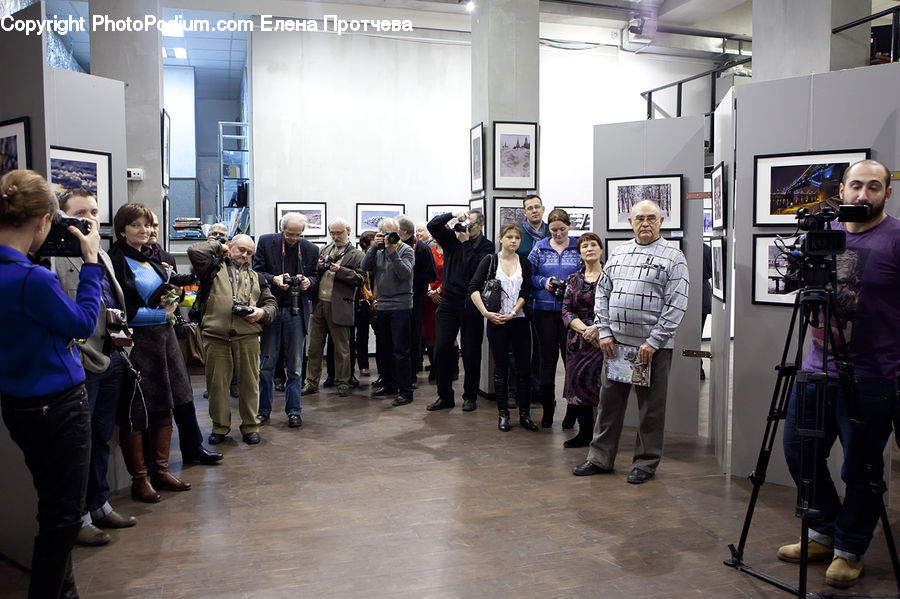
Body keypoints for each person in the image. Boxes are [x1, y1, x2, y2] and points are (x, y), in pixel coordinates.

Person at [775, 159, 900, 589]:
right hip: (816, 368)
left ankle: (850, 548)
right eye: (856, 186)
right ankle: (823, 531)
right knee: (798, 452)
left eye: (874, 187)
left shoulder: (897, 238)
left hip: (873, 375)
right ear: (842, 190)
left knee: (860, 469)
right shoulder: (823, 236)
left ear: (886, 192)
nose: (863, 195)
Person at [0, 170, 101, 598]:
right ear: (44, 220)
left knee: (51, 501)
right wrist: (92, 264)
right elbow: (80, 323)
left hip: (16, 402)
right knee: (62, 517)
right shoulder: (32, 279)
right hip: (57, 404)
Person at [573, 199, 689, 484]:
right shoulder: (620, 253)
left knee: (649, 408)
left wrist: (654, 341)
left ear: (661, 221)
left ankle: (645, 463)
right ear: (631, 222)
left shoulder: (673, 257)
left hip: (649, 350)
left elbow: (677, 303)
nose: (645, 223)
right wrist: (605, 332)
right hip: (616, 347)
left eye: (651, 218)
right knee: (609, 404)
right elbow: (603, 294)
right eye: (640, 218)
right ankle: (599, 457)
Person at [55, 189, 137, 548]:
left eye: (93, 211)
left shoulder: (100, 253)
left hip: (112, 356)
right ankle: (80, 517)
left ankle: (99, 503)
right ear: (62, 217)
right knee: (80, 442)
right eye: (79, 213)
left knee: (103, 436)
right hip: (81, 360)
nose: (88, 218)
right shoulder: (54, 260)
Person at [108, 203, 193, 501]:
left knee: (165, 406)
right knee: (136, 412)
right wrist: (163, 313)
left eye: (146, 225)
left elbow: (167, 294)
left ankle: (161, 470)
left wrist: (175, 297)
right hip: (138, 345)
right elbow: (121, 311)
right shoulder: (116, 260)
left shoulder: (151, 257)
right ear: (122, 230)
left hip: (164, 343)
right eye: (136, 225)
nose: (144, 230)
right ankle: (140, 478)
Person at [147, 210, 223, 464]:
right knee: (156, 400)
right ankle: (154, 462)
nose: (151, 230)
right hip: (146, 334)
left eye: (154, 225)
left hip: (171, 328)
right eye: (146, 226)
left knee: (184, 392)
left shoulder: (163, 255)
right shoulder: (125, 258)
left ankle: (193, 448)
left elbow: (176, 293)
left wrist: (177, 292)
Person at [187, 234, 277, 445]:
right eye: (240, 250)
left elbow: (271, 304)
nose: (244, 255)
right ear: (230, 247)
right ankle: (219, 427)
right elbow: (194, 251)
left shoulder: (257, 277)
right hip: (216, 336)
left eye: (249, 253)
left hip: (248, 337)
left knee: (249, 385)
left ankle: (250, 426)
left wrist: (261, 313)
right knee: (217, 385)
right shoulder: (211, 269)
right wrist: (218, 247)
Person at [468, 223, 538, 432]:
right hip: (497, 321)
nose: (514, 241)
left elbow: (526, 291)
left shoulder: (524, 263)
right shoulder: (490, 261)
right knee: (501, 368)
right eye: (509, 237)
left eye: (517, 238)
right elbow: (474, 289)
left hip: (519, 320)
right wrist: (486, 313)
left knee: (524, 368)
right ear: (501, 239)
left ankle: (525, 414)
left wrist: (514, 311)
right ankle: (503, 414)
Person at [252, 212, 319, 428]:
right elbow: (256, 273)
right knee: (267, 365)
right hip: (271, 308)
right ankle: (263, 411)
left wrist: (308, 282)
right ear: (282, 229)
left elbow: (316, 278)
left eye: (298, 235)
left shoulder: (310, 249)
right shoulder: (265, 242)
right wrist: (274, 279)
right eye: (290, 234)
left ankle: (294, 411)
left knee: (296, 366)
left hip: (297, 310)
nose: (293, 239)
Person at [426, 210, 493, 412]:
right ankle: (444, 396)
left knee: (471, 352)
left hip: (471, 302)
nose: (465, 227)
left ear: (480, 226)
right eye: (464, 223)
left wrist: (465, 244)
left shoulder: (486, 246)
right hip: (448, 301)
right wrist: (452, 215)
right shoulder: (451, 239)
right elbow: (433, 226)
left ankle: (470, 396)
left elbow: (473, 268)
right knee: (441, 349)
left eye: (470, 224)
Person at [528, 208, 582, 427]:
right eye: (553, 230)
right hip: (544, 311)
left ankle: (572, 410)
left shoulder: (578, 245)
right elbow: (528, 275)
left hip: (572, 314)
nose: (558, 234)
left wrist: (574, 283)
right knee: (546, 361)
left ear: (569, 226)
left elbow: (591, 271)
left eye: (562, 229)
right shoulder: (539, 247)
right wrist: (544, 282)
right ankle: (547, 408)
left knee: (571, 362)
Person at [302, 218, 364, 397]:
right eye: (333, 233)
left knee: (342, 348)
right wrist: (319, 267)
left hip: (340, 305)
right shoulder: (324, 250)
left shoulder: (357, 254)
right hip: (319, 303)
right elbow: (314, 274)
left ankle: (343, 382)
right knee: (314, 347)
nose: (336, 236)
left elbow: (361, 279)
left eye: (339, 233)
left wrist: (340, 271)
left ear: (348, 231)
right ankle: (311, 382)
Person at [362, 217, 415, 406]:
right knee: (383, 349)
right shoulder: (378, 251)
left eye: (391, 233)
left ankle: (406, 391)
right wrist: (374, 248)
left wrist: (393, 252)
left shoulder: (406, 250)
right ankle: (389, 383)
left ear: (399, 233)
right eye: (384, 233)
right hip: (382, 305)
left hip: (400, 306)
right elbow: (364, 267)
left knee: (400, 351)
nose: (388, 237)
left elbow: (405, 274)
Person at [560, 233, 605, 448]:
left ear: (601, 250)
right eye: (584, 246)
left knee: (603, 386)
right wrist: (585, 329)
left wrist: (597, 329)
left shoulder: (610, 277)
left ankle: (603, 434)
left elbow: (615, 307)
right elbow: (566, 309)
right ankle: (585, 433)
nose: (589, 249)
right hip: (578, 340)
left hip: (604, 338)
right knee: (579, 385)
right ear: (579, 253)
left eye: (593, 245)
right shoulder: (573, 279)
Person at [397, 215, 437, 385]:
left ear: (405, 232)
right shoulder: (393, 247)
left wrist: (412, 281)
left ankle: (412, 374)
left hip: (415, 298)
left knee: (414, 337)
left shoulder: (421, 248)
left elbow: (431, 274)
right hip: (396, 298)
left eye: (395, 231)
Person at [356, 231, 376, 377]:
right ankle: (363, 365)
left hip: (377, 301)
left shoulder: (380, 258)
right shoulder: (359, 259)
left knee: (381, 334)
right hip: (363, 301)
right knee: (362, 335)